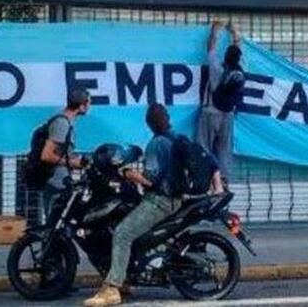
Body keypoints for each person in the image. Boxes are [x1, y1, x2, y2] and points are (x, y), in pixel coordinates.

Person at [84, 103, 224, 307]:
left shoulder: (156, 144)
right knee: (131, 227)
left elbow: (150, 180)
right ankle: (124, 277)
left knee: (122, 233)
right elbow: (209, 160)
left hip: (159, 201)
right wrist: (217, 187)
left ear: (149, 124)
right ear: (168, 119)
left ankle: (113, 288)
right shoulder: (178, 137)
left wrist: (130, 175)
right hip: (176, 200)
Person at [196, 20, 244, 182]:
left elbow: (210, 49)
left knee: (204, 147)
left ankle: (204, 179)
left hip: (210, 111)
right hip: (228, 114)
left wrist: (216, 29)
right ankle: (222, 181)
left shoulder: (216, 68)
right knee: (224, 150)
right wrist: (235, 34)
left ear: (225, 57)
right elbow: (238, 51)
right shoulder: (241, 71)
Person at [40, 88, 90, 218]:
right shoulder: (61, 123)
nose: (89, 107)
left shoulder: (67, 122)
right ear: (82, 105)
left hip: (61, 180)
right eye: (88, 103)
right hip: (54, 182)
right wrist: (72, 162)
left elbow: (60, 151)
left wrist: (73, 159)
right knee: (54, 222)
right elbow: (46, 155)